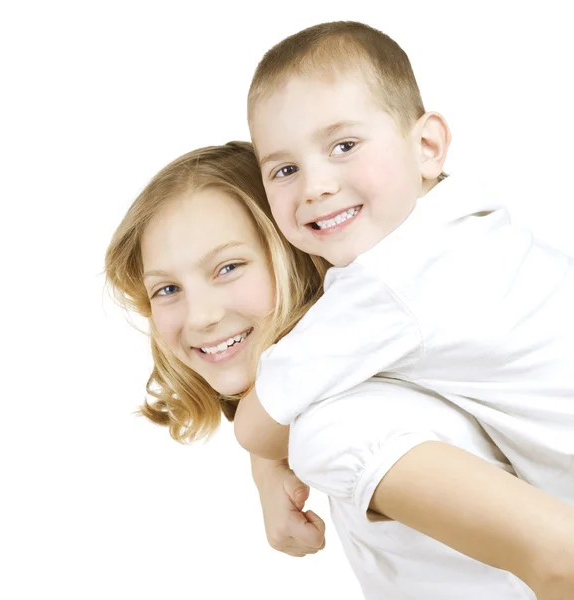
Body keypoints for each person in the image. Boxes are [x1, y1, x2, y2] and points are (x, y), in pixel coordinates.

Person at [106, 141, 574, 598]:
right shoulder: (374, 376)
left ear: (300, 253)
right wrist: (267, 458)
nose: (200, 316)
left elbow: (563, 560)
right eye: (166, 290)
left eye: (228, 267)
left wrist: (268, 445)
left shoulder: (336, 426)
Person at [233, 21, 574, 503]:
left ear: (427, 146)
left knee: (328, 434)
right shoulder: (466, 219)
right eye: (285, 170)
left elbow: (258, 426)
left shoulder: (389, 280)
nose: (315, 186)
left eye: (344, 146)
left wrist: (267, 473)